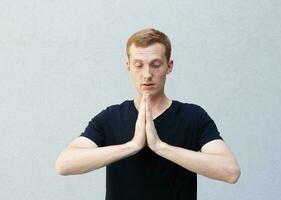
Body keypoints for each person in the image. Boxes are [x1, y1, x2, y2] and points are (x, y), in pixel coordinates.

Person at [55, 28, 241, 200]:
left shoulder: (193, 116)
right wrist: (132, 146)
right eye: (138, 65)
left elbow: (230, 171)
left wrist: (160, 147)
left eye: (156, 65)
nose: (147, 74)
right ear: (128, 66)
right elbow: (64, 164)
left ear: (169, 66)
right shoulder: (110, 118)